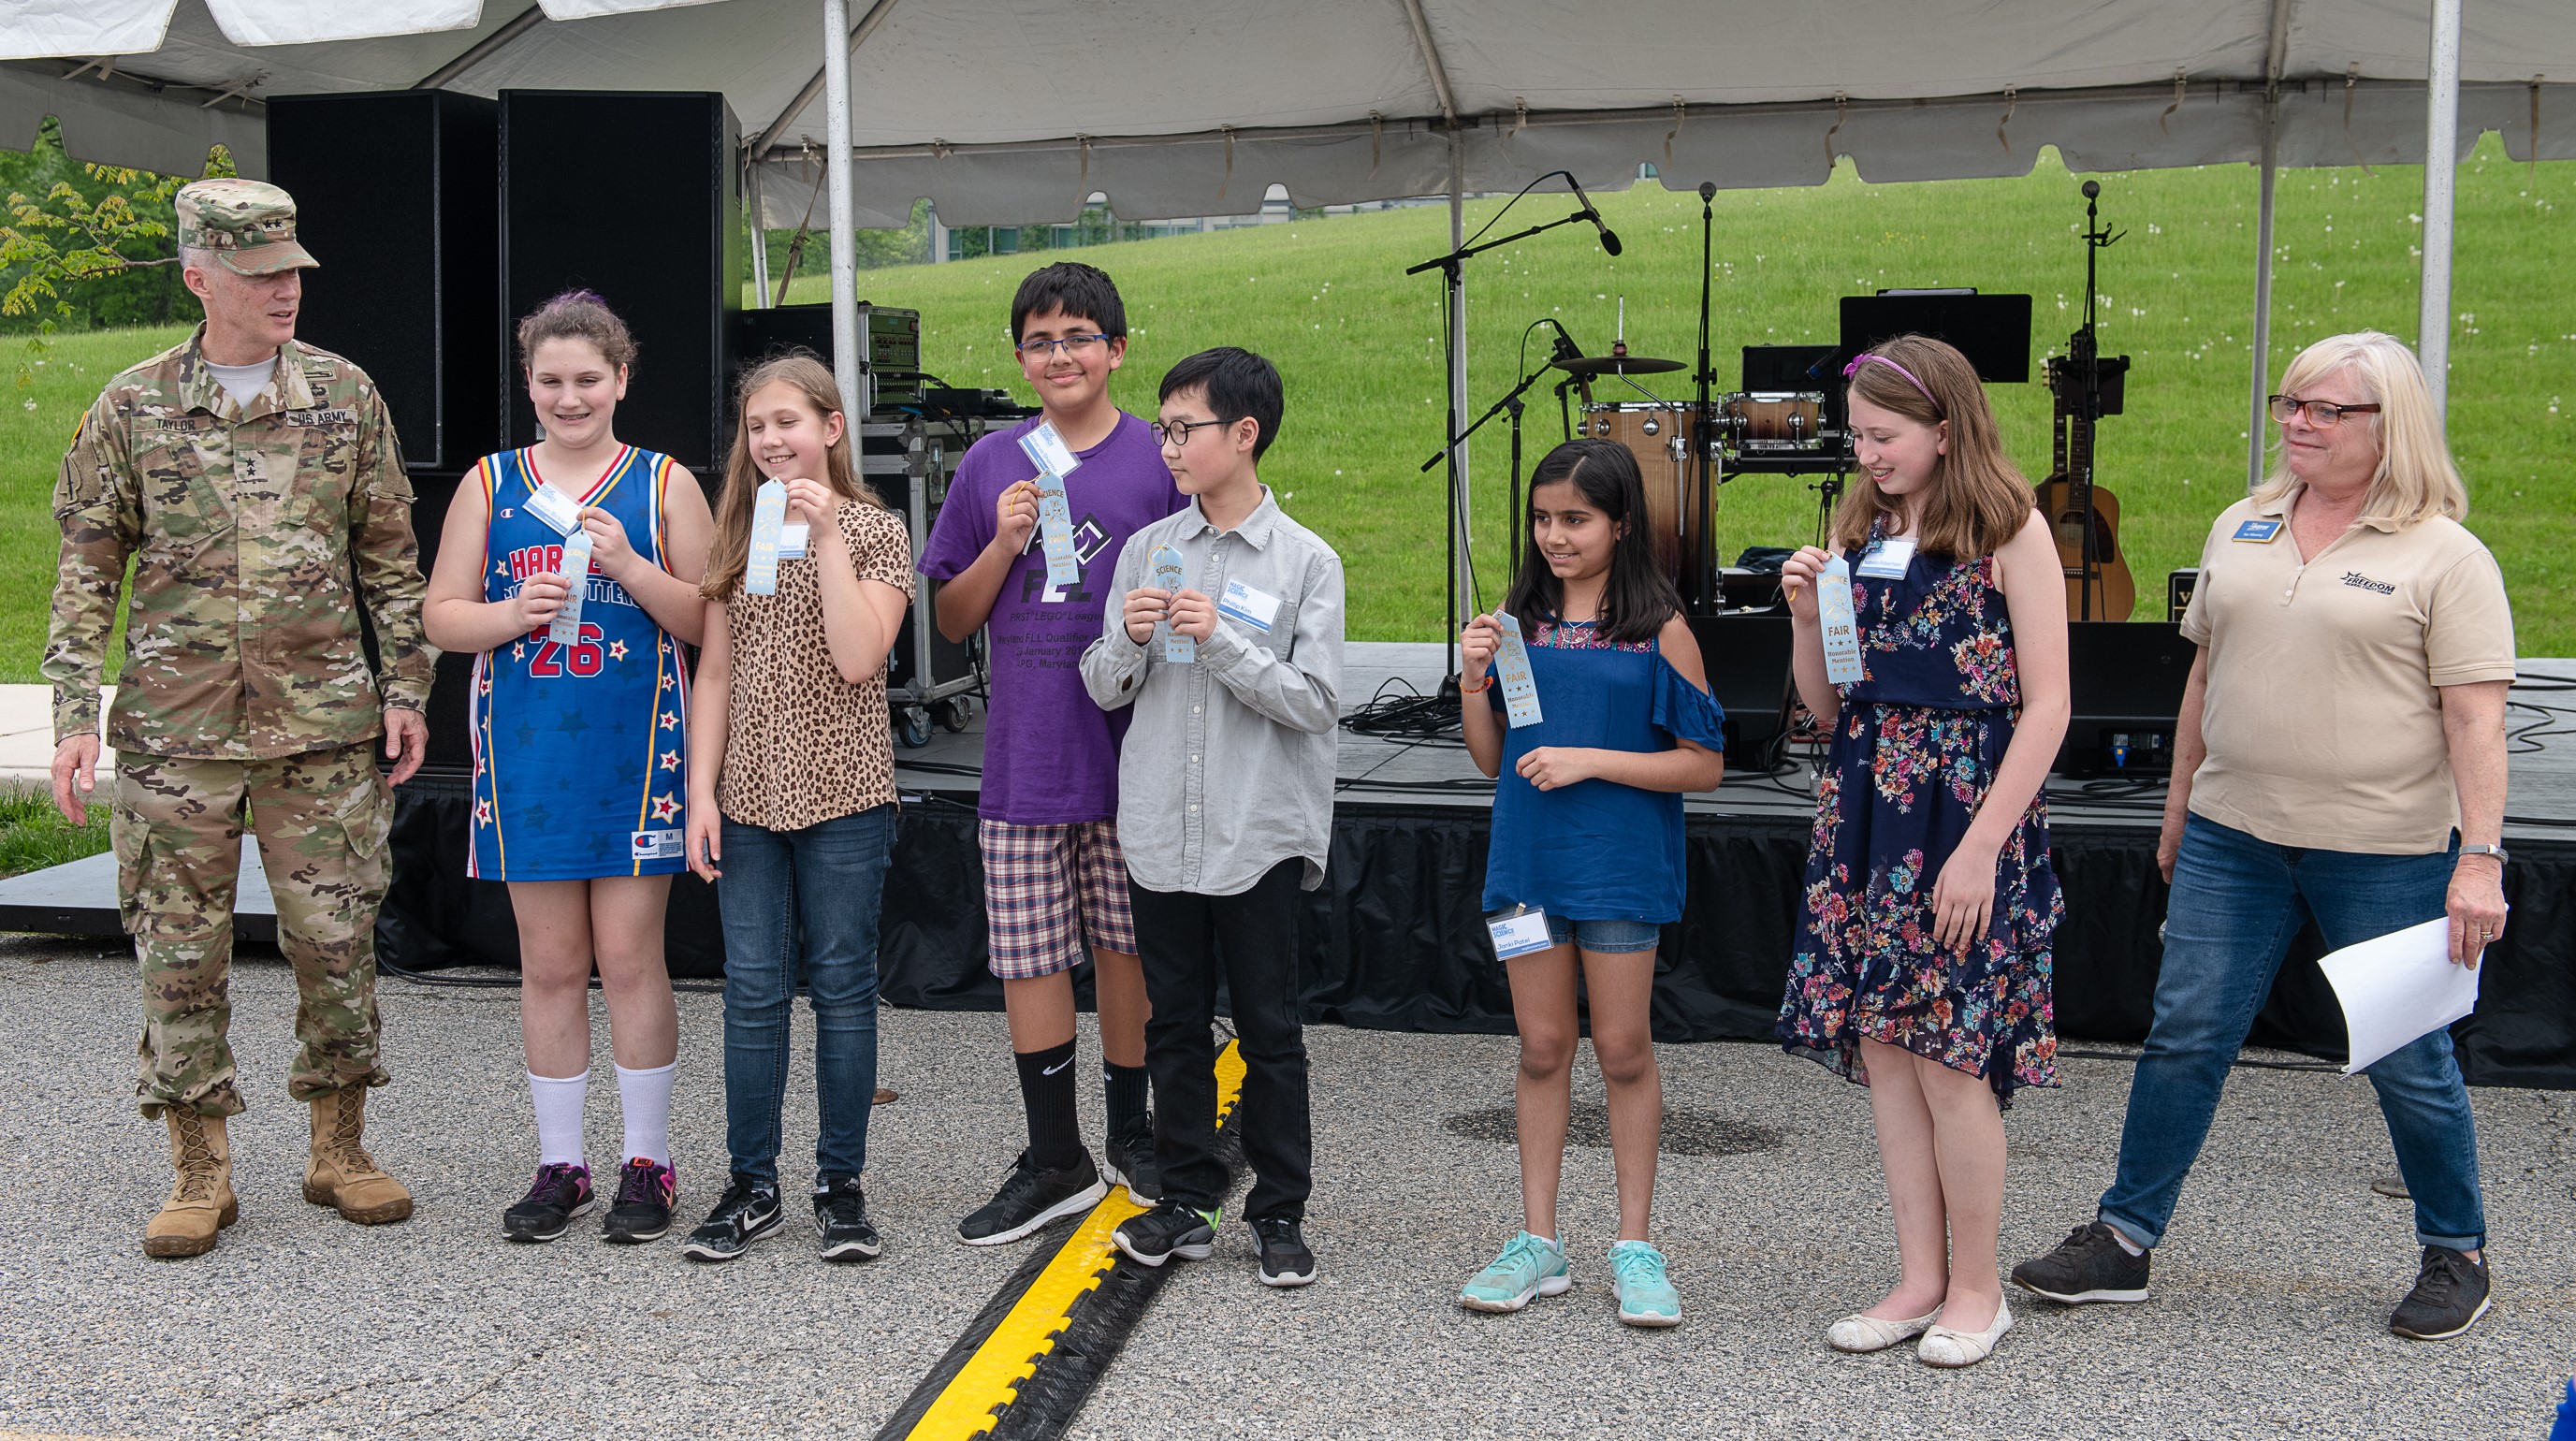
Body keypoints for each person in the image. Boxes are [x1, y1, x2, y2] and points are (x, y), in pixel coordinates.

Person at [2011, 331, 2513, 1342]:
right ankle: (2122, 1239)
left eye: (2326, 409)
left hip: (2383, 850)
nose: (2297, 422)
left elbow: (2475, 720)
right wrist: (2177, 808)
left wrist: (2479, 859)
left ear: (2389, 425)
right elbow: (2204, 677)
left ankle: (2455, 1251)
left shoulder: (2444, 556)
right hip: (2230, 838)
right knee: (2184, 1035)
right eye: (2291, 403)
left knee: (2405, 1055)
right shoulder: (2241, 525)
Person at [43, 179, 432, 1259]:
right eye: (260, 274)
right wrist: (74, 713)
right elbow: (86, 571)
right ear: (198, 278)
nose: (285, 290)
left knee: (338, 944)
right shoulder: (132, 406)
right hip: (176, 735)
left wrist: (406, 690)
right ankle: (198, 1167)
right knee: (178, 951)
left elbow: (390, 560)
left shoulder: (344, 395)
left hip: (323, 728)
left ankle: (339, 1148)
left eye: (291, 270)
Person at [1774, 334, 2069, 1367]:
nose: (1866, 455)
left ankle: (1977, 1289)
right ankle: (1918, 1278)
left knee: (1949, 1058)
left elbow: (2049, 706)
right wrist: (1804, 618)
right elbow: (1827, 706)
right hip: (1866, 810)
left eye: (1884, 437)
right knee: (1887, 1053)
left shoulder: (2011, 527)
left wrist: (1982, 848)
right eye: (1856, 437)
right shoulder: (1862, 526)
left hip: (1964, 816)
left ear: (1945, 430)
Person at [422, 291, 714, 1245]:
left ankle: (647, 1159)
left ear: (621, 380)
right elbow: (441, 615)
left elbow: (709, 619)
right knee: (549, 966)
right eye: (550, 380)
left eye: (588, 378)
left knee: (629, 959)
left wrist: (630, 567)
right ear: (528, 383)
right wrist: (511, 614)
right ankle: (561, 1164)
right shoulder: (491, 482)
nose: (569, 396)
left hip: (636, 758)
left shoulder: (663, 483)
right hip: (529, 757)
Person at [919, 262, 1185, 1245]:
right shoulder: (991, 461)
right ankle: (1053, 1156)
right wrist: (1001, 543)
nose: (1059, 354)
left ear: (1116, 349)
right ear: (1018, 357)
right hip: (1027, 754)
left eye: (1078, 337)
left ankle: (1131, 1134)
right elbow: (951, 619)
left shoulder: (1158, 456)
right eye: (1039, 341)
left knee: (1126, 949)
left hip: (1133, 750)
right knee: (1030, 957)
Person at [1451, 439, 1727, 1329]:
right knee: (1540, 1048)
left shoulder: (1659, 629)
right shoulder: (1517, 620)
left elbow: (1704, 765)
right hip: (1525, 870)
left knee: (1622, 1049)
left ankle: (1634, 1245)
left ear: (1621, 524)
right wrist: (1471, 683)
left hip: (1618, 870)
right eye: (1542, 519)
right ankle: (1538, 1241)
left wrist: (1591, 761)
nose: (1554, 536)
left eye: (1575, 519)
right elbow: (1492, 759)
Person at [1081, 347, 1341, 1288]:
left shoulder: (1306, 561)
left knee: (1269, 1028)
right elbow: (1102, 685)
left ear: (1244, 434)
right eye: (1163, 429)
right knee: (1174, 1023)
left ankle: (1278, 1211)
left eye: (1183, 428)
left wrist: (1221, 640)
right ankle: (1186, 1198)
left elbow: (1316, 701)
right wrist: (1128, 638)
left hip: (1254, 830)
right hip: (1161, 824)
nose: (1168, 446)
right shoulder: (1147, 549)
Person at [679, 353, 915, 1264]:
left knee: (844, 989)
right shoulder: (736, 530)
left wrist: (825, 539)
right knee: (751, 993)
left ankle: (839, 1185)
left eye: (788, 421)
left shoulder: (875, 531)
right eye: (756, 426)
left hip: (845, 794)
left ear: (830, 428)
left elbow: (859, 659)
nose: (771, 439)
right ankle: (752, 1184)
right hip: (747, 796)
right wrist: (699, 794)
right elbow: (714, 673)